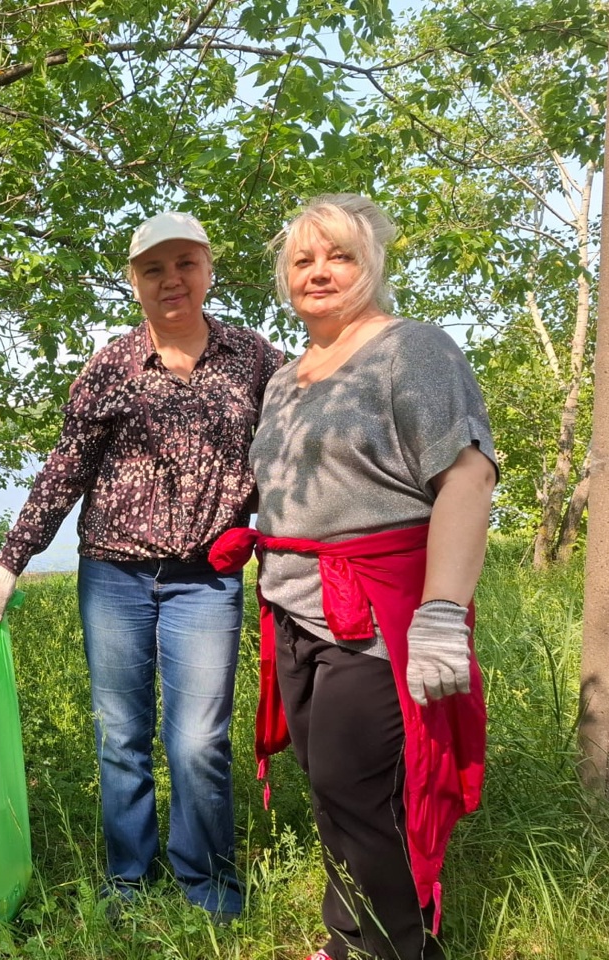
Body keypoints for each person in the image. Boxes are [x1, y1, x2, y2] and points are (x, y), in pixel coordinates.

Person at [212, 194, 497, 960]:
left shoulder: (413, 350)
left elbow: (467, 479)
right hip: (295, 610)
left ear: (371, 263)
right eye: (302, 260)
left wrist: (442, 613)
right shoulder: (286, 378)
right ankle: (349, 944)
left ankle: (400, 950)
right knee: (333, 792)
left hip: (374, 613)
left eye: (338, 255)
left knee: (357, 792)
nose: (319, 271)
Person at [0, 211, 285, 920]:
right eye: (154, 269)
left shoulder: (255, 358)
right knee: (121, 735)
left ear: (208, 269)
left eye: (185, 264)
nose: (171, 279)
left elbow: (289, 451)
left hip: (206, 579)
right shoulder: (110, 366)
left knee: (200, 740)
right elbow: (66, 469)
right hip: (113, 578)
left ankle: (207, 883)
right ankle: (128, 880)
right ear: (134, 282)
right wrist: (10, 562)